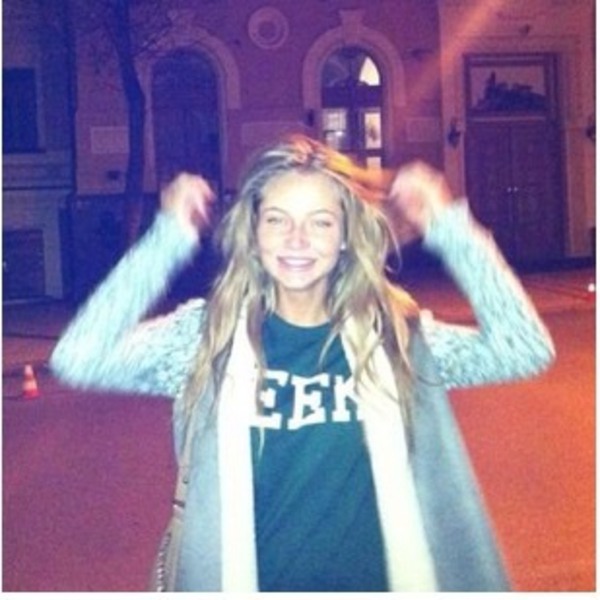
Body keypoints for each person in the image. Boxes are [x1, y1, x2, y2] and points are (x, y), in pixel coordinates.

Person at [50, 135, 555, 592]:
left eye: (321, 222)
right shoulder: (206, 338)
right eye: (277, 219)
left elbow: (523, 349)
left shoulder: (395, 339)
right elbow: (80, 356)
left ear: (345, 236)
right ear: (254, 231)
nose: (297, 239)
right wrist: (167, 238)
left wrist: (450, 227)